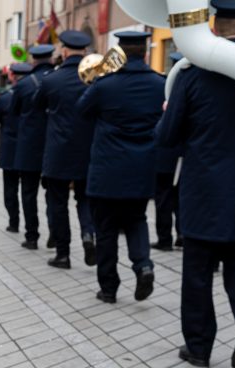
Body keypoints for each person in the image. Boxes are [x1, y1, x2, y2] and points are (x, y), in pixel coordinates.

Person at [157, 0, 235, 368]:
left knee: (197, 269)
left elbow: (167, 138)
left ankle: (198, 348)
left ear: (212, 30)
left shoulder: (194, 74)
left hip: (203, 193)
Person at [78, 31, 164, 304]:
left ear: (120, 54)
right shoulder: (159, 83)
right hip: (141, 168)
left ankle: (109, 289)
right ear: (146, 53)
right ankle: (144, 266)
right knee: (137, 220)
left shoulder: (105, 86)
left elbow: (81, 110)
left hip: (107, 170)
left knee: (105, 230)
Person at [36, 30, 97, 269]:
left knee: (57, 203)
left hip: (58, 151)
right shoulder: (95, 77)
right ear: (85, 52)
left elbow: (37, 105)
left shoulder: (51, 79)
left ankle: (63, 254)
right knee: (85, 199)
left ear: (64, 51)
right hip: (88, 150)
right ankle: (88, 235)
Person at [10, 44, 55, 250]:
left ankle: (32, 236)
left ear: (34, 61)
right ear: (52, 59)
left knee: (28, 194)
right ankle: (56, 232)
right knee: (55, 194)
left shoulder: (24, 85)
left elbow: (14, 112)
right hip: (54, 146)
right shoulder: (59, 80)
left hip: (29, 148)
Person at [0, 63, 32, 233]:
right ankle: (31, 230)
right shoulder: (34, 94)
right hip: (29, 148)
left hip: (10, 149)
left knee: (10, 189)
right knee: (29, 191)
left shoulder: (5, 97)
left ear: (12, 76)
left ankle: (14, 222)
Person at [153, 51, 185, 252]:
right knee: (181, 196)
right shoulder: (193, 86)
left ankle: (164, 239)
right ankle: (181, 234)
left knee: (163, 198)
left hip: (165, 152)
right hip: (183, 154)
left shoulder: (162, 86)